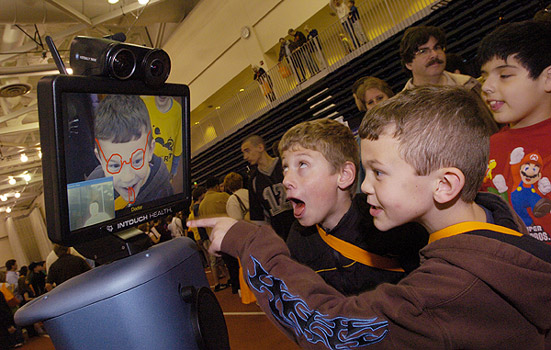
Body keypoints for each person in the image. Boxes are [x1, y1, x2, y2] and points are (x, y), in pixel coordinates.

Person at [189, 86, 551, 349]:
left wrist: (251, 240)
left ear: (445, 185)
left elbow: (331, 327)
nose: (364, 187)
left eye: (378, 172)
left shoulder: (442, 292)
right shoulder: (494, 218)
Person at [281, 118, 428, 295]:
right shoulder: (297, 241)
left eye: (302, 164)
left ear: (344, 175)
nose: (286, 180)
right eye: (285, 168)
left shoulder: (388, 223)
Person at [479, 20, 551, 244]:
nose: (486, 87)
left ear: (548, 78)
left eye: (505, 75)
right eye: (484, 76)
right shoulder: (485, 149)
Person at [87, 95, 173, 210]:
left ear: (150, 150)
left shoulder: (164, 190)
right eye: (115, 165)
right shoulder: (92, 186)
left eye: (137, 161)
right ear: (100, 159)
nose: (128, 178)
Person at [241, 135, 294, 241]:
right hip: (283, 237)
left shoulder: (285, 165)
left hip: (306, 228)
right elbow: (258, 217)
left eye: (247, 151)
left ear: (260, 148)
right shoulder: (253, 181)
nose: (245, 157)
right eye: (243, 153)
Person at [399, 26, 480, 92]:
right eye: (423, 51)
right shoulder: (400, 107)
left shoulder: (468, 86)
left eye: (437, 47)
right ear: (409, 64)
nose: (434, 54)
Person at [198, 177, 230, 292]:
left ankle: (229, 282)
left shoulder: (202, 205)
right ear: (216, 186)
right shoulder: (223, 196)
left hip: (213, 237)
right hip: (228, 233)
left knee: (222, 260)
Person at [141, 95, 183, 179]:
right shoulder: (142, 102)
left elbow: (178, 147)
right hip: (142, 174)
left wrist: (173, 170)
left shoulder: (177, 109)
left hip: (163, 174)